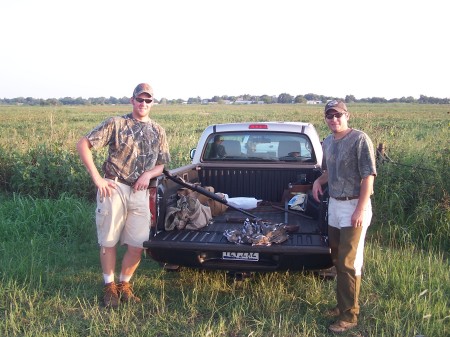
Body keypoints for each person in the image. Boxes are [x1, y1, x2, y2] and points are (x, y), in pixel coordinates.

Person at [77, 83, 170, 308]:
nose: (143, 104)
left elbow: (162, 165)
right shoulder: (116, 123)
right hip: (114, 187)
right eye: (140, 99)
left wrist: (148, 175)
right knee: (108, 241)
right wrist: (97, 178)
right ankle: (109, 287)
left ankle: (124, 285)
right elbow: (83, 144)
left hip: (140, 192)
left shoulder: (158, 130)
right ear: (132, 100)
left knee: (137, 244)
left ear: (152, 103)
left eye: (148, 100)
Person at [312, 100, 377, 333]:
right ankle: (342, 306)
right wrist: (318, 182)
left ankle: (349, 316)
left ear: (347, 115)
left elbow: (368, 176)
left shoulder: (360, 139)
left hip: (354, 206)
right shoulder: (328, 142)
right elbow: (329, 171)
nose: (333, 119)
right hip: (335, 207)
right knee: (337, 258)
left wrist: (360, 208)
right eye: (329, 116)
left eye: (337, 115)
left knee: (349, 262)